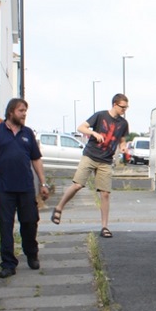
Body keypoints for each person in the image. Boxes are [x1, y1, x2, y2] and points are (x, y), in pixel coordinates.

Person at [0, 98, 50, 278]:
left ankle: (31, 253)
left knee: (29, 222)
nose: (24, 114)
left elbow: (36, 159)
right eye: (21, 110)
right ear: (11, 112)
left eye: (25, 110)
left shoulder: (27, 134)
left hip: (25, 186)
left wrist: (43, 183)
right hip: (4, 187)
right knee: (5, 225)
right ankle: (8, 264)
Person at [50, 93, 130, 237]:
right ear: (114, 104)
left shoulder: (123, 124)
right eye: (123, 107)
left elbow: (122, 139)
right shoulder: (100, 116)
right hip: (90, 155)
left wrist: (123, 147)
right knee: (77, 185)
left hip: (106, 160)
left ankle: (105, 227)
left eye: (126, 107)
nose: (125, 110)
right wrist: (93, 133)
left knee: (105, 194)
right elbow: (81, 127)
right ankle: (59, 207)